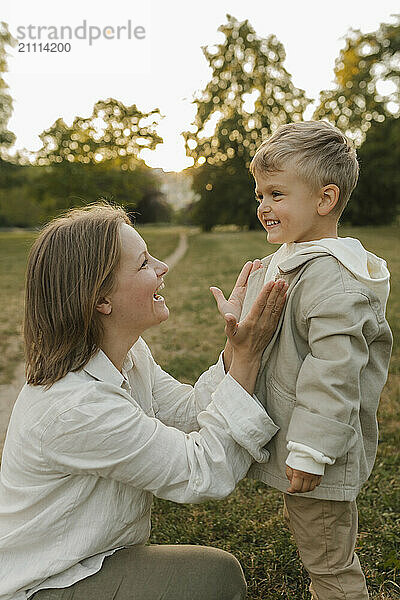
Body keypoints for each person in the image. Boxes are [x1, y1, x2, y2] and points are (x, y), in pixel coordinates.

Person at [0, 203, 288, 600]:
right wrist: (250, 358)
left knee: (212, 576)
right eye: (143, 264)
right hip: (45, 582)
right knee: (214, 581)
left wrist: (236, 349)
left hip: (93, 557)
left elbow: (189, 414)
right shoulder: (76, 407)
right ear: (101, 299)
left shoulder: (129, 355)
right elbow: (204, 470)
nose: (162, 267)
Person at [211, 121, 393, 599]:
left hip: (322, 452)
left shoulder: (334, 281)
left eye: (275, 194)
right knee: (314, 538)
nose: (263, 207)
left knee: (329, 561)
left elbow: (334, 374)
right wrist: (242, 318)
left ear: (325, 199)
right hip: (303, 444)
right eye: (259, 195)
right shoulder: (295, 258)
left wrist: (312, 451)